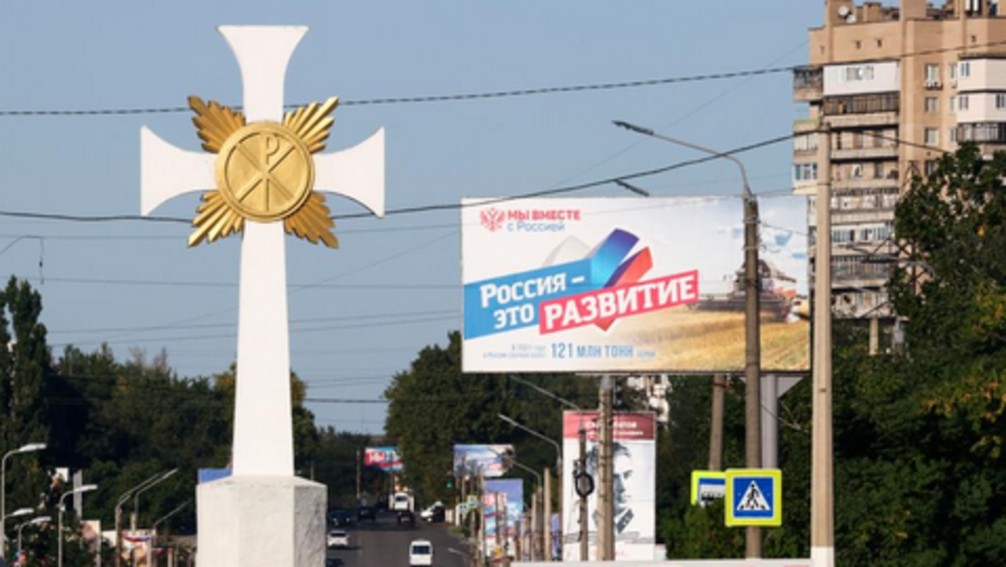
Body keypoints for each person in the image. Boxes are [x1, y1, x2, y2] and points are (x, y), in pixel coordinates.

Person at [585, 441, 635, 535]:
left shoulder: (642, 522)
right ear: (592, 479)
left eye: (627, 475)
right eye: (613, 478)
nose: (622, 487)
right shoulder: (585, 522)